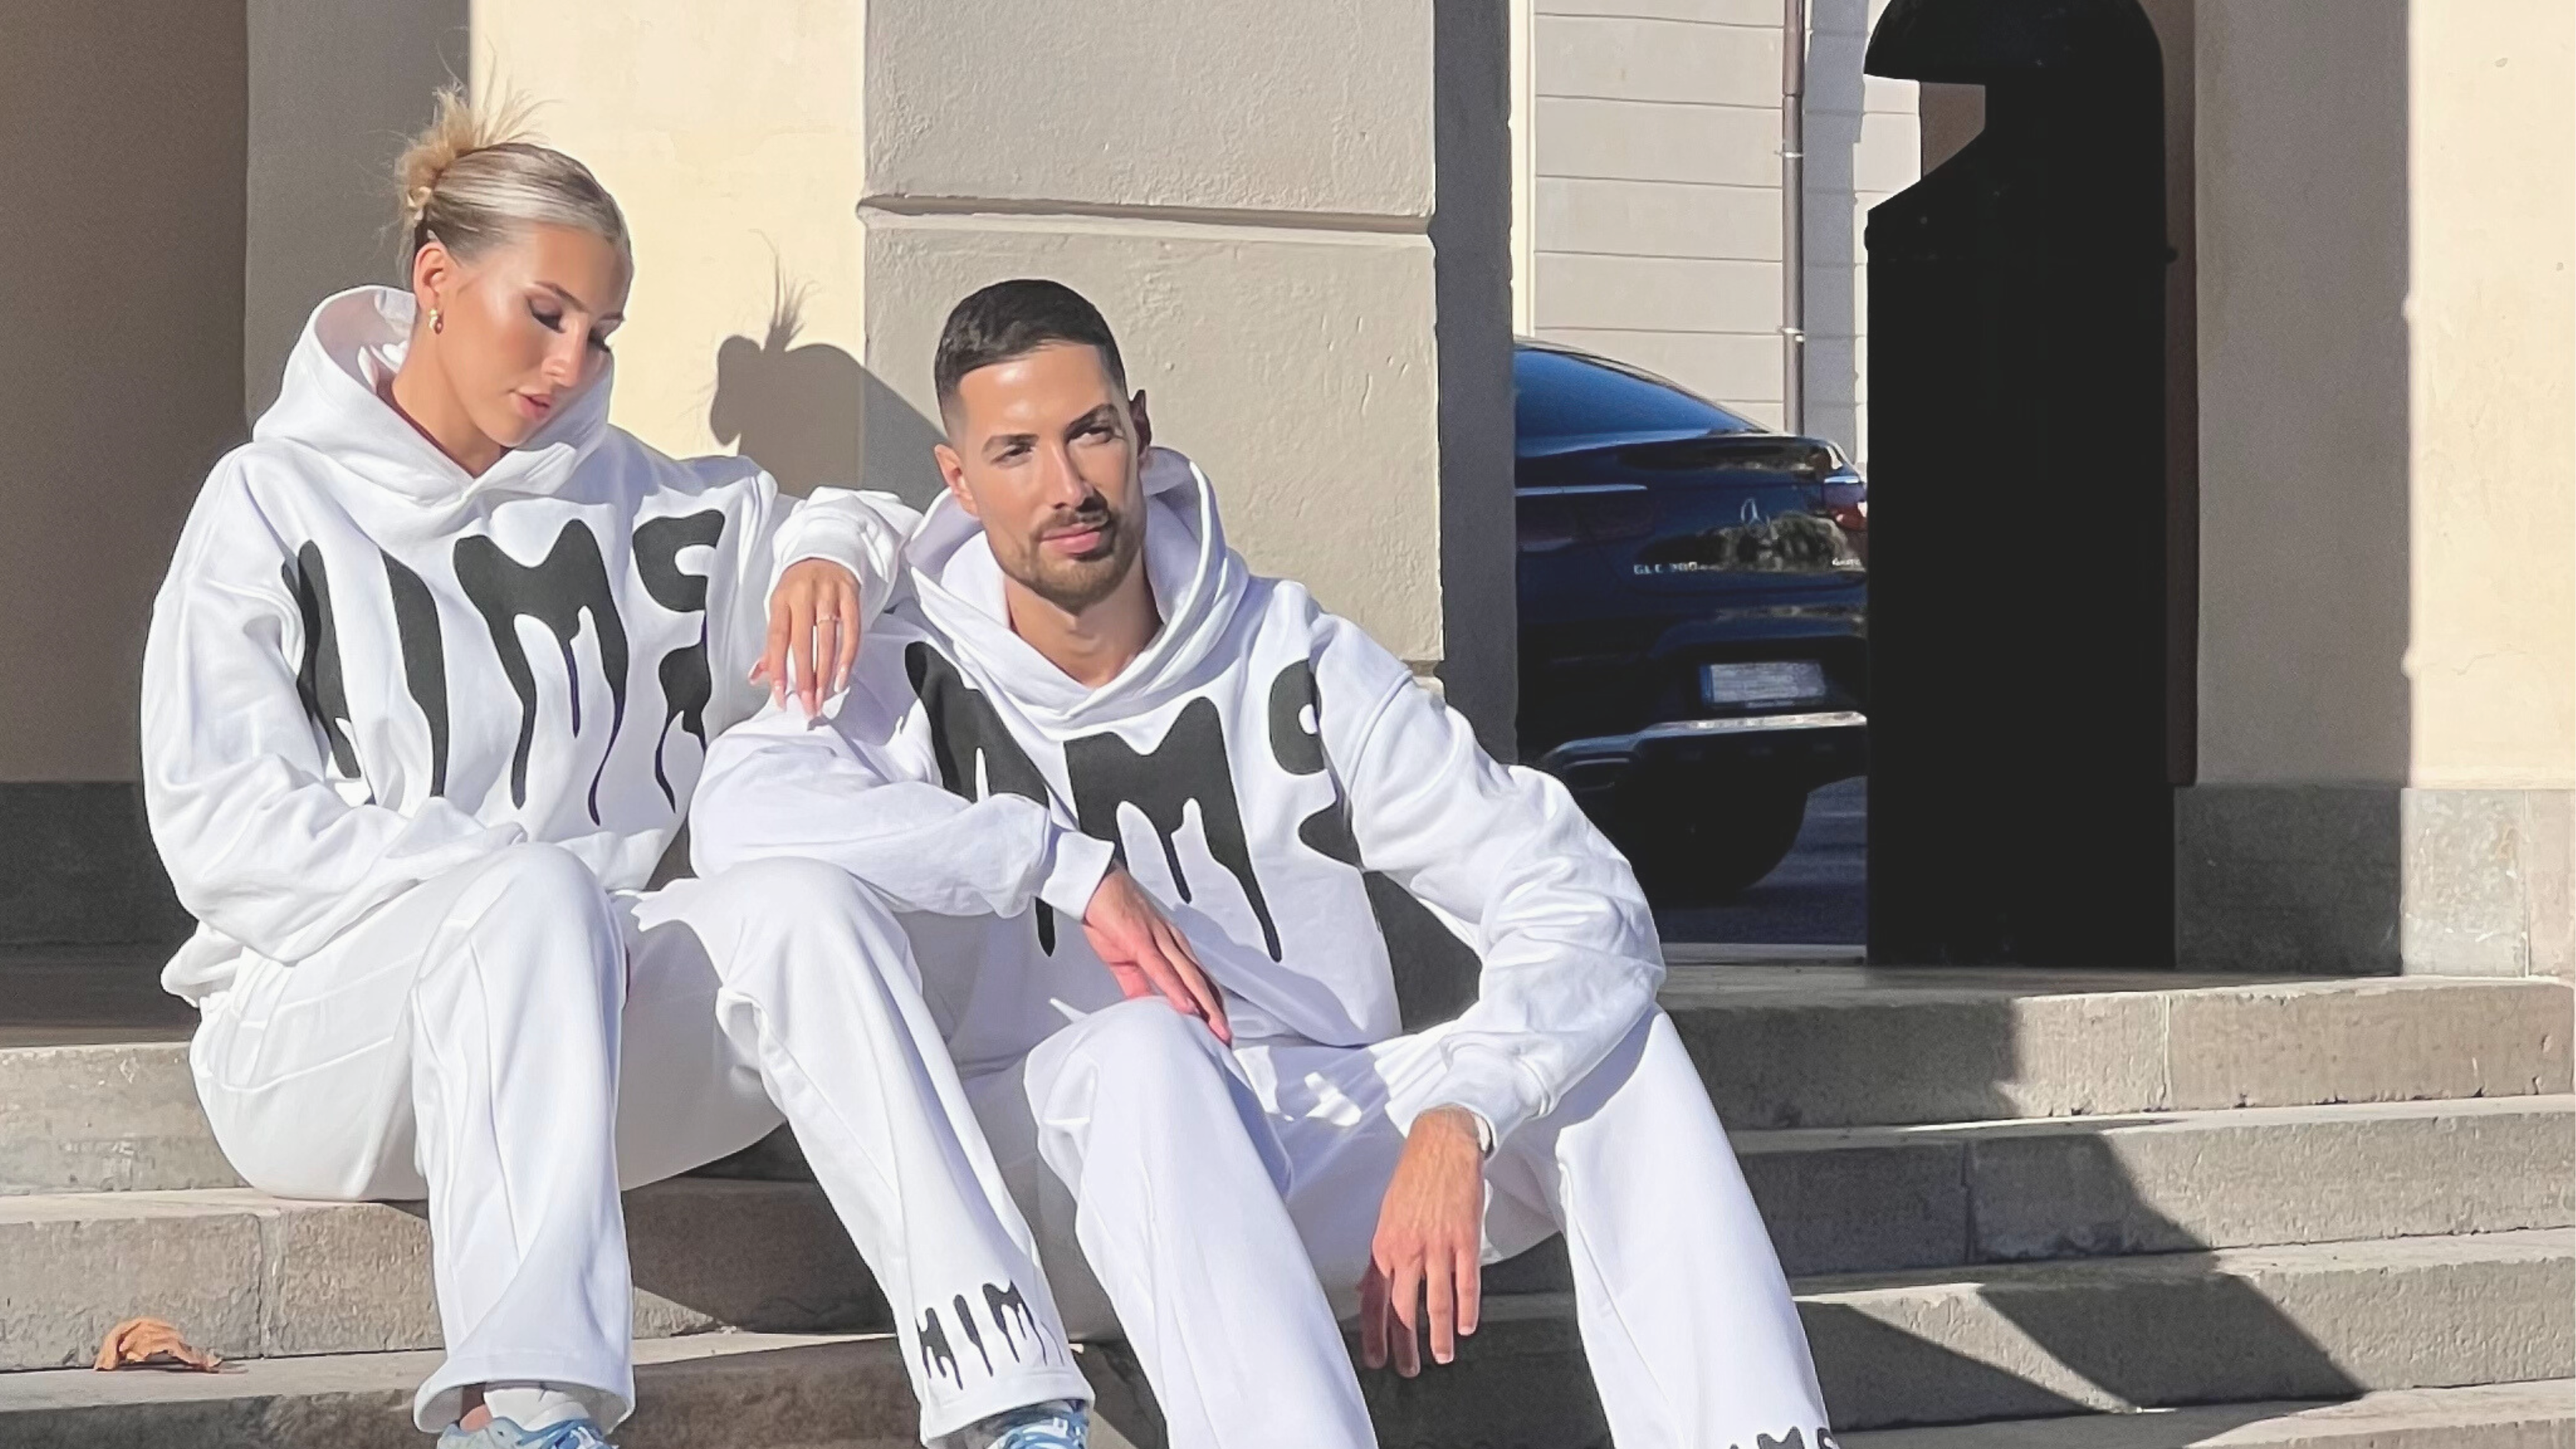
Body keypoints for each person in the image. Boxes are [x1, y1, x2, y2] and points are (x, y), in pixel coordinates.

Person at [690, 279, 1837, 1447]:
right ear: (958, 480)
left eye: (1089, 432)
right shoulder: (908, 668)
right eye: (1016, 451)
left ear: (1139, 427)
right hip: (1052, 1175)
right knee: (1146, 1049)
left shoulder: (1286, 648)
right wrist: (1048, 858)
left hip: (1300, 1122)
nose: (1068, 486)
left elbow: (1576, 890)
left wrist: (1466, 1109)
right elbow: (744, 813)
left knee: (1617, 1050)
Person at [142, 97, 1101, 1449]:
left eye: (599, 334)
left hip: (579, 1021)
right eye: (543, 314)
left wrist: (830, 547)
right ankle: (529, 1406)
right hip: (323, 1039)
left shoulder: (643, 504)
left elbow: (885, 524)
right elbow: (223, 829)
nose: (569, 362)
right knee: (531, 898)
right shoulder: (273, 502)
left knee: (807, 913)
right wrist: (517, 892)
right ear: (433, 280)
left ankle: (1010, 1387)